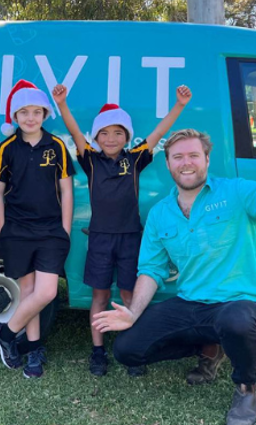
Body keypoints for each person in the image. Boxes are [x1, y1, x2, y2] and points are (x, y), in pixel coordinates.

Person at [93, 114, 256, 425]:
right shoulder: (161, 213)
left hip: (242, 302)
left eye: (194, 155)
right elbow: (151, 270)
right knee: (127, 350)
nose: (187, 163)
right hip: (193, 303)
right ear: (168, 164)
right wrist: (133, 312)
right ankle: (210, 347)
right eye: (178, 157)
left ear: (207, 159)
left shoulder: (236, 192)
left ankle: (246, 389)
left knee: (235, 321)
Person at [52, 83, 192, 377]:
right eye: (104, 133)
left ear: (127, 136)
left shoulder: (135, 158)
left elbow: (156, 134)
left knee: (131, 296)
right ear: (97, 137)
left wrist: (178, 105)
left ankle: (134, 352)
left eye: (118, 133)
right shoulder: (90, 159)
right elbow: (76, 133)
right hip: (100, 239)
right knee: (100, 297)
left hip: (131, 239)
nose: (111, 138)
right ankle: (98, 351)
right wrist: (62, 104)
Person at [0, 80, 75, 379]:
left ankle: (6, 332)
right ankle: (33, 349)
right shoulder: (7, 148)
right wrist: (2, 228)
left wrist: (64, 229)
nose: (30, 117)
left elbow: (67, 189)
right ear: (15, 116)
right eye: (23, 112)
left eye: (36, 111)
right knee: (28, 291)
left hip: (51, 231)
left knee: (46, 291)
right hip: (18, 230)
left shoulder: (58, 146)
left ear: (45, 114)